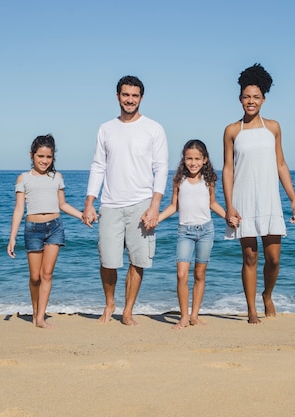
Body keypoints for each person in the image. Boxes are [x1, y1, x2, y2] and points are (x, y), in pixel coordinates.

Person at [82, 75, 169, 326]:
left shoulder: (154, 128)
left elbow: (161, 169)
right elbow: (98, 166)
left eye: (134, 95)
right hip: (110, 203)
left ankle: (128, 311)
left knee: (138, 260)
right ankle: (110, 303)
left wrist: (155, 206)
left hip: (142, 203)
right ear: (118, 96)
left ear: (141, 98)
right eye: (125, 95)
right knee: (108, 260)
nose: (130, 100)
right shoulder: (106, 128)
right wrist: (90, 202)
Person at [222, 63, 295, 324]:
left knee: (274, 259)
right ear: (240, 99)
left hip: (269, 199)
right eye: (246, 97)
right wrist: (229, 206)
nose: (251, 101)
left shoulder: (274, 128)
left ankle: (267, 294)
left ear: (264, 99)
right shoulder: (233, 131)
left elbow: (281, 164)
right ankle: (252, 310)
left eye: (256, 97)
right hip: (243, 200)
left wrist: (292, 198)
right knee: (250, 256)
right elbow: (228, 170)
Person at [7, 134, 85, 329]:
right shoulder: (23, 178)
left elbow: (63, 204)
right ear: (32, 155)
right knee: (35, 277)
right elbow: (18, 210)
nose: (44, 161)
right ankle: (35, 310)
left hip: (55, 227)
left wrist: (82, 215)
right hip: (32, 229)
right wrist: (12, 238)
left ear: (53, 158)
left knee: (47, 274)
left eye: (48, 157)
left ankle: (40, 318)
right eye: (40, 156)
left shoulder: (56, 177)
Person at [159, 140, 227, 329]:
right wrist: (157, 218)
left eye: (197, 158)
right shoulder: (178, 180)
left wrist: (228, 216)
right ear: (184, 159)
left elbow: (212, 204)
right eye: (189, 158)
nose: (193, 162)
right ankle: (183, 316)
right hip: (185, 232)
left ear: (204, 160)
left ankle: (194, 316)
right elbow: (174, 206)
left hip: (206, 231)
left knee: (199, 274)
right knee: (181, 275)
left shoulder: (209, 180)